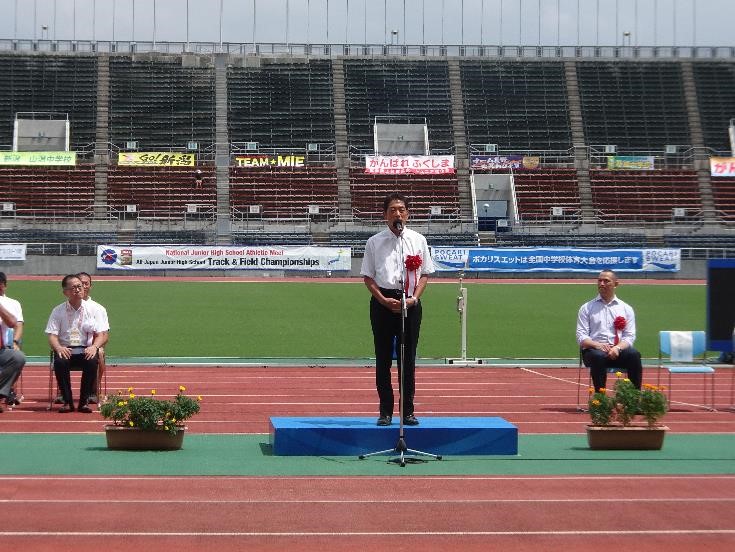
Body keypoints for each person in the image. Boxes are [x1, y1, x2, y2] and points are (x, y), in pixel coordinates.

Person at [360, 193, 435, 426]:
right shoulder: (374, 242)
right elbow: (368, 277)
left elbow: (424, 275)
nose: (398, 214)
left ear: (408, 214)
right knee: (383, 358)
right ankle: (385, 411)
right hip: (383, 303)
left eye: (401, 209)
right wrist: (383, 299)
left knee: (407, 359)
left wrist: (413, 298)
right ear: (385, 215)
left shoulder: (417, 240)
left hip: (410, 304)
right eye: (392, 210)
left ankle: (408, 411)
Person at [45, 274, 105, 413]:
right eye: (73, 288)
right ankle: (67, 401)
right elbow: (52, 336)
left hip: (86, 349)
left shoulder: (93, 309)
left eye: (80, 286)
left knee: (91, 361)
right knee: (60, 362)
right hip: (66, 349)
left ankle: (84, 402)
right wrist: (59, 347)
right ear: (65, 292)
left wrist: (94, 347)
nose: (78, 290)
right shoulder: (58, 311)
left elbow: (101, 335)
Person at [576, 269, 643, 392]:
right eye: (599, 281)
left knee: (634, 355)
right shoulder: (587, 308)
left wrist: (617, 348)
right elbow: (581, 336)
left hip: (617, 351)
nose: (602, 284)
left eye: (606, 281)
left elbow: (629, 336)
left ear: (616, 284)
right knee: (598, 357)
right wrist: (598, 345)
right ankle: (600, 399)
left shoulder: (626, 308)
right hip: (593, 351)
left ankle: (634, 398)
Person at [77, 272, 110, 403]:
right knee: (60, 354)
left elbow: (105, 335)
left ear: (91, 286)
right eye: (80, 284)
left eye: (86, 284)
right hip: (71, 346)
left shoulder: (98, 308)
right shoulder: (65, 307)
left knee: (100, 353)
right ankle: (63, 392)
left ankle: (93, 391)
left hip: (93, 346)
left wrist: (95, 346)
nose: (84, 286)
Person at [0, 272, 26, 411]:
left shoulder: (12, 303)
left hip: (3, 347)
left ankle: (2, 393)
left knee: (18, 357)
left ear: (4, 286)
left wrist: (15, 342)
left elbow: (14, 324)